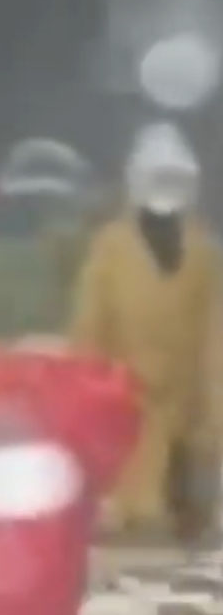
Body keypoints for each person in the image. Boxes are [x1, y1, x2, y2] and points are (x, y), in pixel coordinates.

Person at [68, 121, 222, 544]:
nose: (166, 188)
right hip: (126, 399)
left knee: (181, 520)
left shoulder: (203, 249)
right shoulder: (111, 246)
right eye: (159, 179)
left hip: (182, 408)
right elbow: (90, 325)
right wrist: (89, 390)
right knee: (127, 518)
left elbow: (213, 334)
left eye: (174, 179)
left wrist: (211, 409)